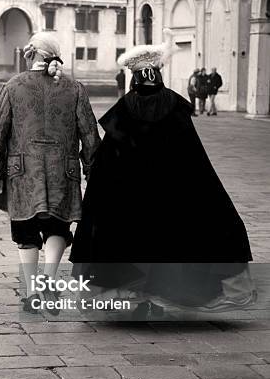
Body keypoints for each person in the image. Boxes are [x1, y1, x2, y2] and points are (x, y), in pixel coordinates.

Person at [69, 29, 256, 319]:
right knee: (201, 225)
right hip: (174, 191)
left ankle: (126, 292)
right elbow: (194, 159)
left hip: (130, 194)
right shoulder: (175, 106)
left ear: (134, 79)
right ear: (158, 74)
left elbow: (109, 161)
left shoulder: (124, 110)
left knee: (119, 230)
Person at [0, 32, 101, 315]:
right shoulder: (75, 88)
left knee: (26, 230)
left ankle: (32, 291)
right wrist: (91, 168)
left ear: (30, 54)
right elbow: (90, 134)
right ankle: (49, 278)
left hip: (23, 172)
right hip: (63, 170)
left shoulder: (13, 86)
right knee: (58, 225)